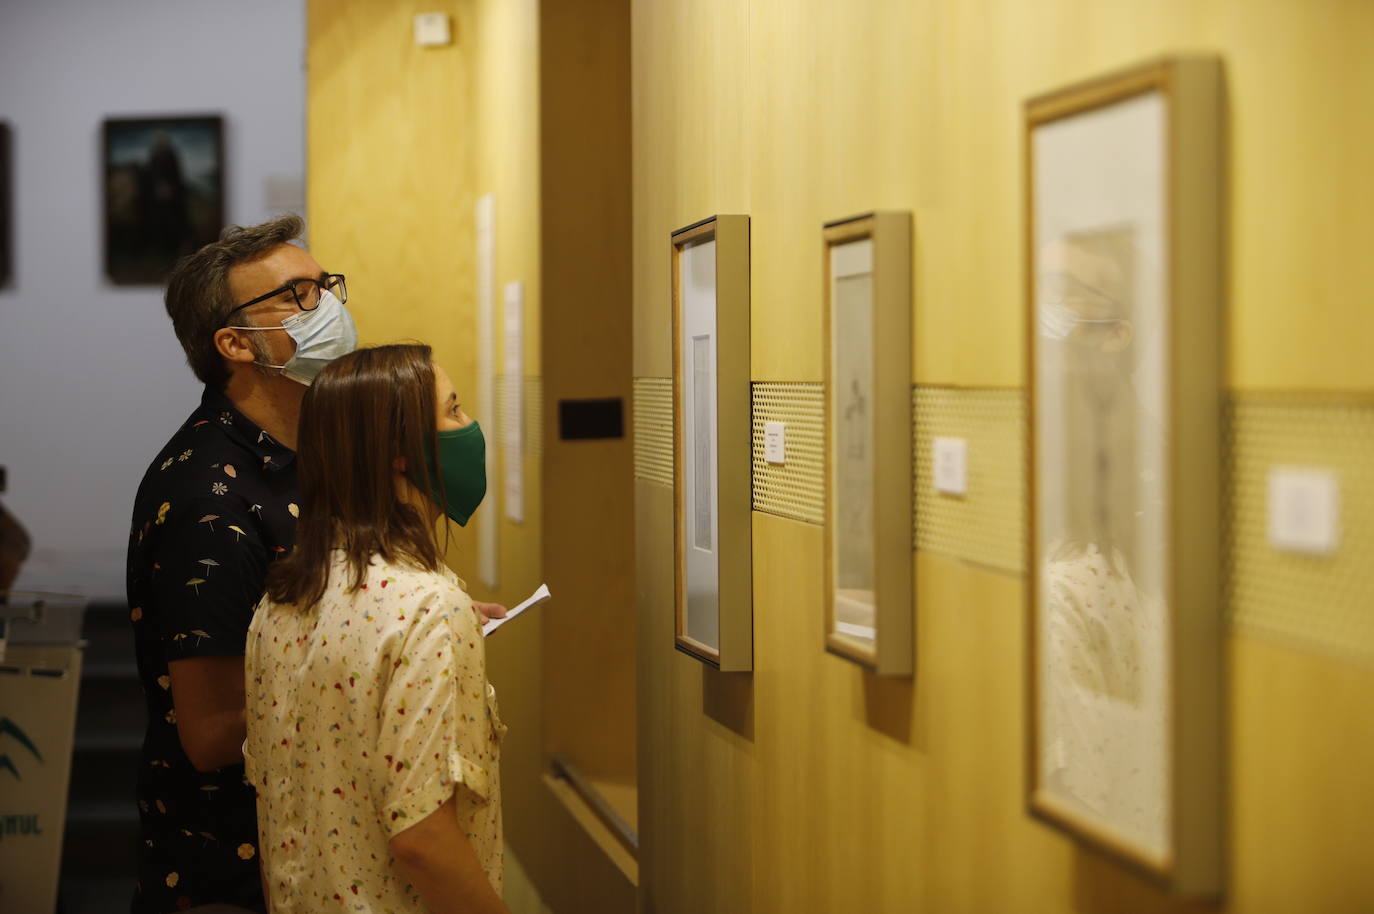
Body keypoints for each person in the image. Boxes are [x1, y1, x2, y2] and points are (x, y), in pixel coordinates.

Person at [125, 214, 359, 913]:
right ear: (234, 343)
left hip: (315, 848)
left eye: (327, 287)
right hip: (231, 873)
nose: (330, 310)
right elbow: (213, 733)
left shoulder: (306, 455)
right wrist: (382, 672)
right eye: (297, 296)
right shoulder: (207, 493)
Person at [243, 344, 509, 914]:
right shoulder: (428, 608)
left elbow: (277, 812)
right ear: (399, 453)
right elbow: (423, 840)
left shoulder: (279, 602)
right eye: (455, 410)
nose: (470, 427)